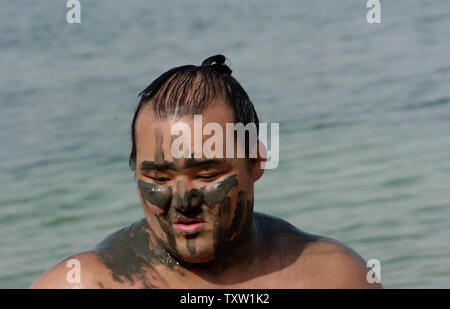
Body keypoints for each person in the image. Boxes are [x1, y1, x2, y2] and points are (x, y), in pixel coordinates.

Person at [30, 55, 381, 289]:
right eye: (158, 178)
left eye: (207, 174)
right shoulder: (84, 284)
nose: (183, 200)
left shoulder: (332, 277)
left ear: (256, 162)